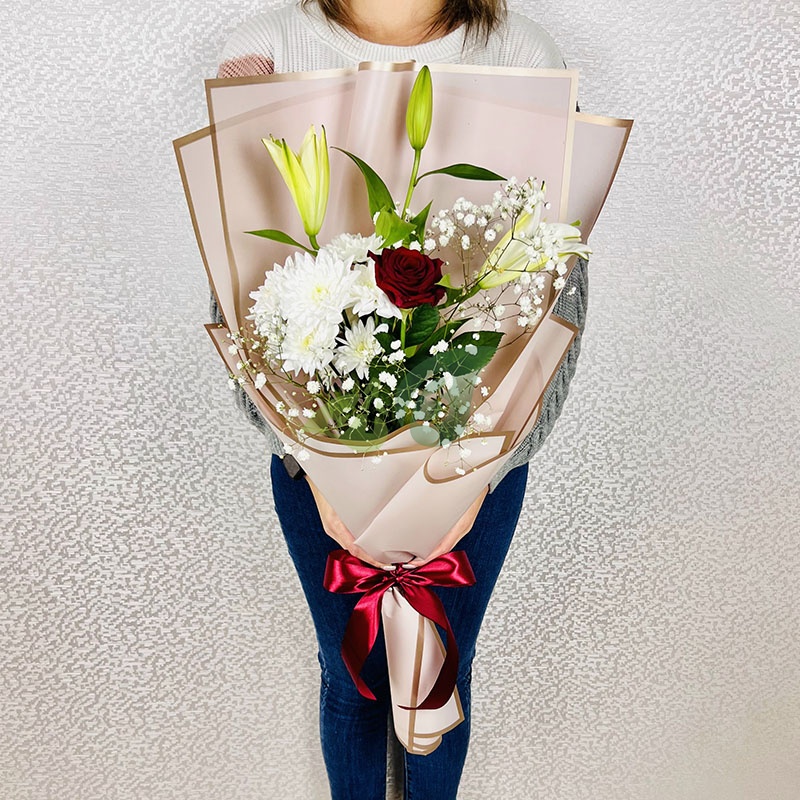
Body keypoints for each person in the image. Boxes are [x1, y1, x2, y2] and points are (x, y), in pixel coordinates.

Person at [210, 2, 588, 797]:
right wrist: (321, 472)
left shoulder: (522, 53)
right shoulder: (267, 52)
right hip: (314, 471)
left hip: (483, 474)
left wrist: (471, 483)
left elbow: (561, 298)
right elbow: (238, 298)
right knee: (351, 680)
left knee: (440, 675)